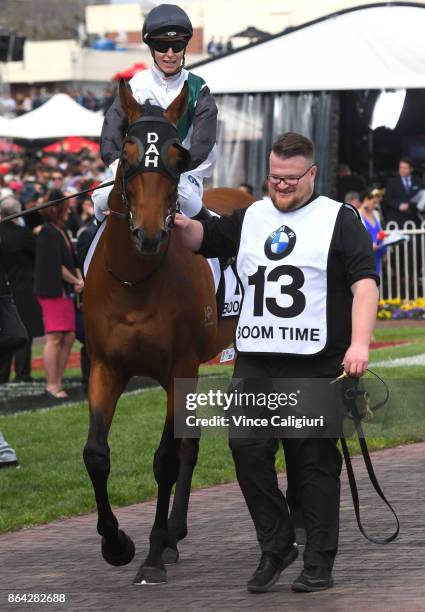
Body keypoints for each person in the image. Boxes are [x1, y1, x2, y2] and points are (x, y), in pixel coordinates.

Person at [174, 132, 379, 594]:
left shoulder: (338, 219)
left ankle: (319, 562)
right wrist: (173, 221)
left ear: (312, 173)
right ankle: (277, 543)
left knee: (312, 463)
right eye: (274, 177)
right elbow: (203, 238)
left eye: (290, 179)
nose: (281, 186)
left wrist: (360, 344)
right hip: (255, 361)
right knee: (246, 452)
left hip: (314, 361)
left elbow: (365, 285)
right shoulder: (251, 216)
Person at [95, 4, 217, 223]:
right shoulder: (137, 85)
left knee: (188, 200)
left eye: (177, 46)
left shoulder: (199, 88)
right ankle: (87, 255)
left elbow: (204, 141)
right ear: (151, 48)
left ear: (184, 47)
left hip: (184, 173)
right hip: (135, 169)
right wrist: (116, 165)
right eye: (162, 46)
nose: (170, 54)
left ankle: (217, 249)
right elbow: (111, 130)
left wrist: (179, 167)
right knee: (100, 200)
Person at [34, 196, 84, 398]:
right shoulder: (48, 232)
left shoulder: (60, 231)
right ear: (57, 210)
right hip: (52, 290)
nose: (70, 212)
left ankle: (57, 381)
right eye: (66, 208)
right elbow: (56, 265)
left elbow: (70, 260)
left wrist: (78, 278)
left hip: (63, 291)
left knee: (69, 336)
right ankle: (52, 385)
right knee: (55, 337)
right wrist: (76, 281)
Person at [0, 197, 44, 383]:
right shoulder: (23, 235)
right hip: (23, 288)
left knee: (5, 332)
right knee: (23, 332)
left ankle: (2, 375)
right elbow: (39, 256)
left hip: (5, 287)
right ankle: (22, 372)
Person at [382, 157, 422, 227]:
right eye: (400, 167)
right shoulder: (392, 182)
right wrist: (399, 205)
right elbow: (387, 199)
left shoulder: (418, 181)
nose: (402, 170)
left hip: (414, 219)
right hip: (396, 219)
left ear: (411, 169)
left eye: (405, 168)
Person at [358, 190, 386, 275]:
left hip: (377, 254)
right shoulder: (356, 214)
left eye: (377, 203)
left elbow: (379, 231)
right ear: (366, 200)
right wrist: (368, 244)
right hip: (364, 257)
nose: (376, 205)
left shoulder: (376, 214)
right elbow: (356, 237)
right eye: (374, 202)